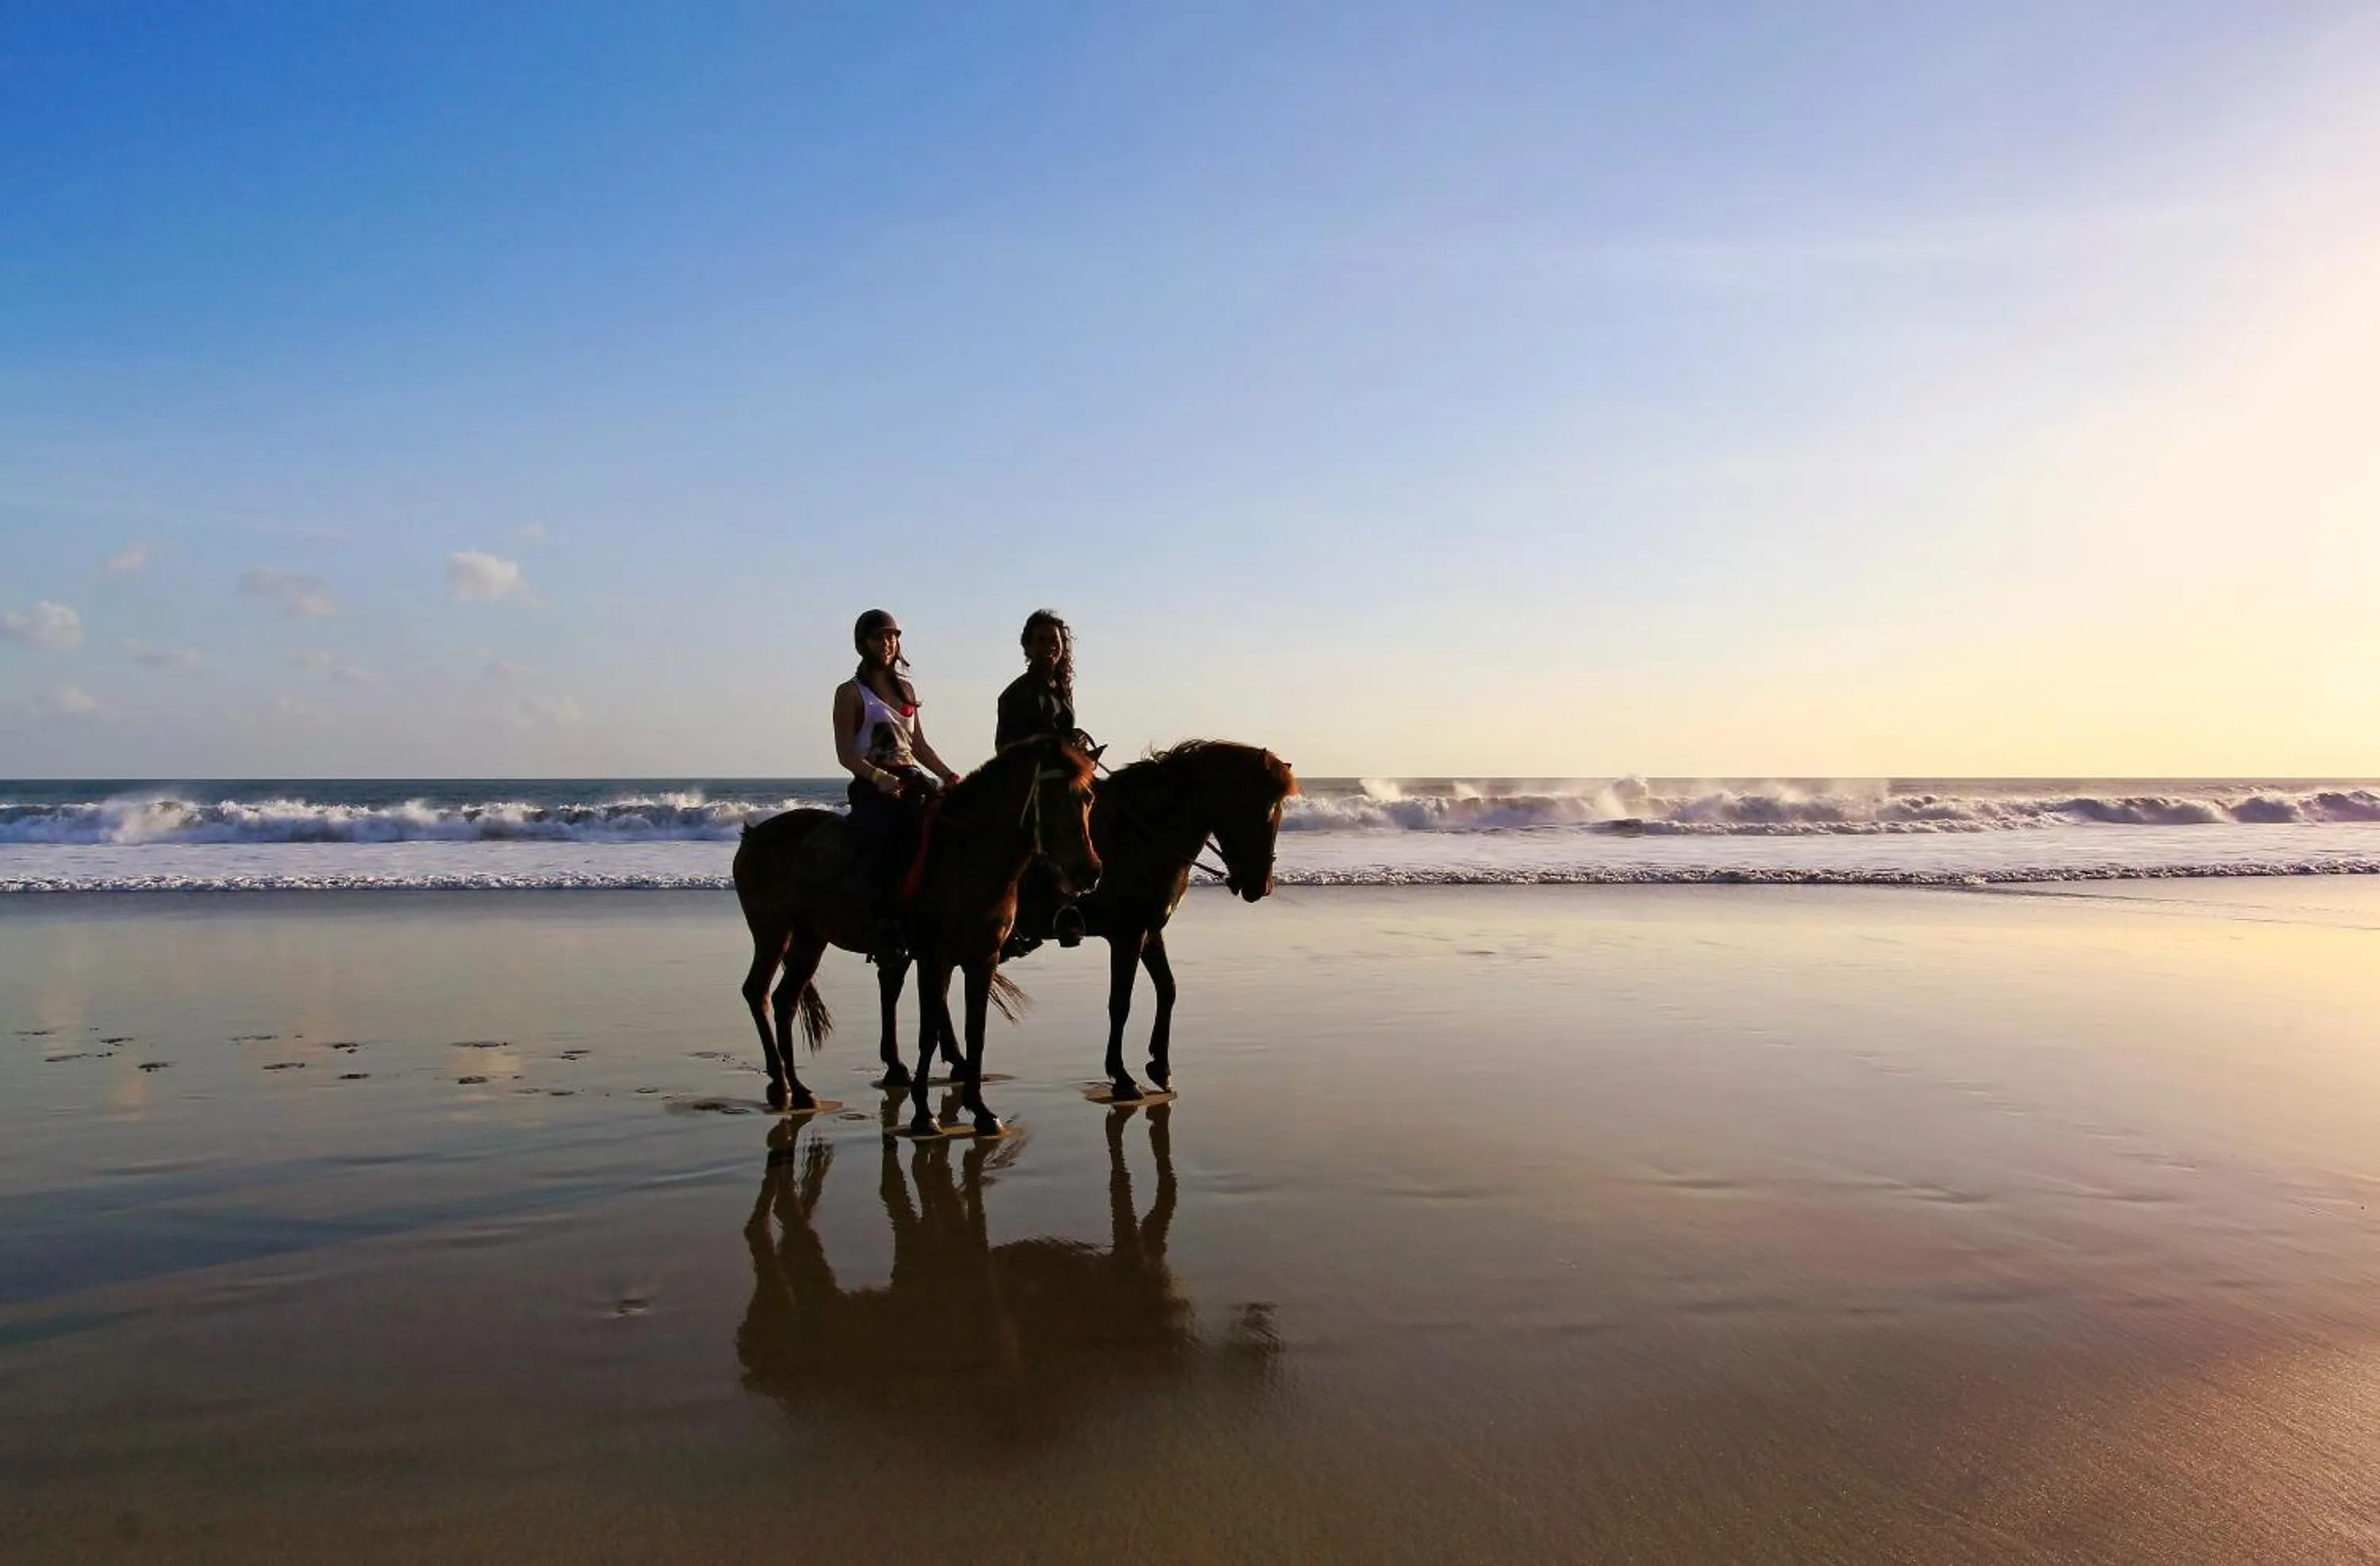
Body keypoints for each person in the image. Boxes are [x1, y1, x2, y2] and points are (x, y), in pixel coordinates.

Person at [835, 609, 960, 961]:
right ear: (863, 645)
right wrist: (880, 778)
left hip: (912, 780)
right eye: (879, 637)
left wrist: (948, 775)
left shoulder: (906, 690)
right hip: (873, 786)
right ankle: (885, 921)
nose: (887, 643)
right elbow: (846, 754)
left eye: (891, 636)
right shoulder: (850, 693)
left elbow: (918, 746)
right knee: (891, 838)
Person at [995, 608, 1088, 957]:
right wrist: (1048, 748)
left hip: (1059, 777)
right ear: (1027, 647)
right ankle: (1039, 913)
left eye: (1055, 641)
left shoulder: (1062, 687)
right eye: (1041, 641)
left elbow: (1060, 733)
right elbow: (1005, 747)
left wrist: (1074, 742)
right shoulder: (1016, 694)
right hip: (1028, 781)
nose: (1049, 647)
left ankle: (1082, 899)